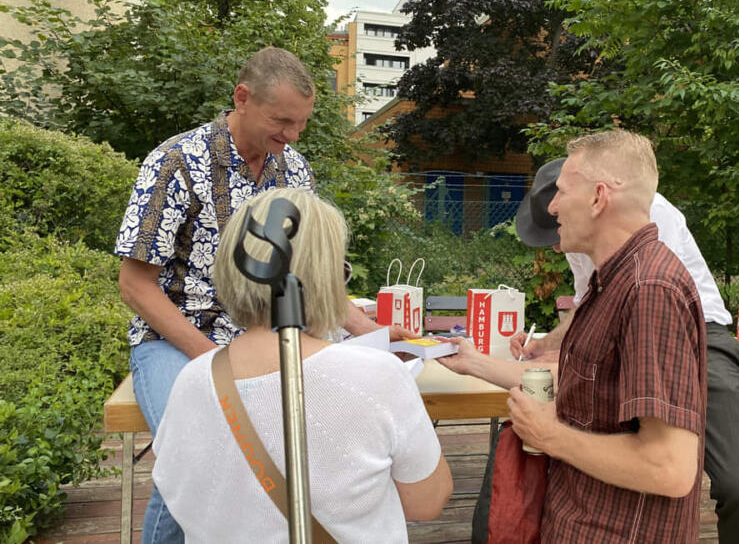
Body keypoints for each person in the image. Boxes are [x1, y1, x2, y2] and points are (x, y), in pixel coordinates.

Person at [113, 46, 409, 543]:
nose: (292, 136)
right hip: (175, 340)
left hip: (270, 336)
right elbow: (135, 285)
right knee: (192, 455)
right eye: (282, 121)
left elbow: (311, 275)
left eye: (301, 124)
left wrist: (371, 332)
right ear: (242, 98)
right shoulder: (174, 162)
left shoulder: (294, 170)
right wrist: (216, 365)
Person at [440, 130, 708, 541]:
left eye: (562, 191)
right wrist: (472, 361)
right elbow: (581, 384)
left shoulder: (649, 288)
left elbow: (668, 468)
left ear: (598, 198)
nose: (552, 207)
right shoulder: (611, 283)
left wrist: (549, 435)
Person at [151, 188, 453, 542]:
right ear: (324, 279)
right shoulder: (377, 376)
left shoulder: (192, 379)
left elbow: (174, 489)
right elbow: (427, 502)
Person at [511, 157, 739, 543]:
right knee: (609, 456)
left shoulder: (647, 214)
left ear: (593, 199)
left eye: (558, 219)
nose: (557, 243)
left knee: (738, 486)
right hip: (623, 333)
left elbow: (655, 301)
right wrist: (549, 343)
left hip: (700, 334)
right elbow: (588, 301)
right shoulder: (578, 230)